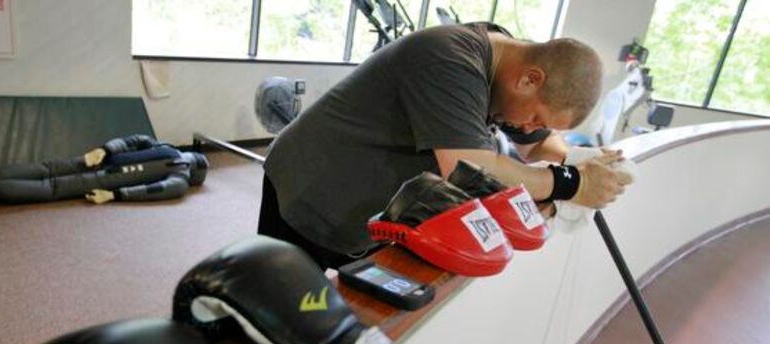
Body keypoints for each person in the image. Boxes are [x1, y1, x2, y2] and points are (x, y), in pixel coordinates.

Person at [259, 22, 632, 269]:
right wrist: (572, 182)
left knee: (349, 296)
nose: (527, 127)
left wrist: (582, 163)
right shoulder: (448, 58)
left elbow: (538, 147)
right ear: (530, 80)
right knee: (273, 305)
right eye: (535, 116)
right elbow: (467, 167)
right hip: (310, 182)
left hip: (368, 197)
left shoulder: (510, 72)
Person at [0, 134, 209, 206]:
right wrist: (117, 195)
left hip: (98, 161)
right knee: (50, 188)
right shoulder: (181, 175)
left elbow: (135, 140)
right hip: (107, 177)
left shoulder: (165, 146)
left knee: (47, 169)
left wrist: (105, 150)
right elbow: (157, 190)